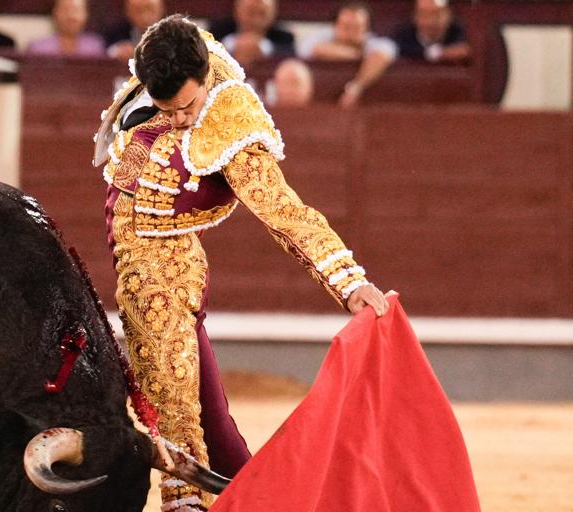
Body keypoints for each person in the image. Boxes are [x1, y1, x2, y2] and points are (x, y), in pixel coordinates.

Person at [92, 15, 388, 511]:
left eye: (187, 106)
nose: (181, 119)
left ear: (206, 77)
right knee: (212, 424)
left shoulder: (231, 124)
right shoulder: (174, 52)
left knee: (179, 420)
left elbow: (283, 211)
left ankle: (187, 504)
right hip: (145, 273)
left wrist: (348, 280)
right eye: (167, 109)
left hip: (165, 279)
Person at [298, 2, 397, 107]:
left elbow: (385, 52)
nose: (351, 33)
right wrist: (356, 55)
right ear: (335, 26)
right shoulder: (322, 37)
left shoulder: (374, 43)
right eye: (346, 27)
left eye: (357, 27)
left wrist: (356, 87)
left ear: (366, 29)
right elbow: (306, 49)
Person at [210, 0, 295, 68]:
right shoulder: (217, 31)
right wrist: (232, 44)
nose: (256, 20)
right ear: (237, 10)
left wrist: (263, 47)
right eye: (251, 12)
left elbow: (290, 58)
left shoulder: (285, 38)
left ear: (273, 13)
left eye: (262, 14)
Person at [393, 0, 470, 63]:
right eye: (424, 15)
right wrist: (432, 53)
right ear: (415, 16)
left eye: (436, 14)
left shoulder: (460, 31)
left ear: (448, 15)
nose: (430, 21)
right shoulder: (403, 35)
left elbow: (464, 51)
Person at [26, 0, 106, 57]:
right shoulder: (38, 48)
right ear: (55, 13)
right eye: (65, 9)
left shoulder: (95, 47)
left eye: (76, 10)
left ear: (86, 14)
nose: (71, 15)